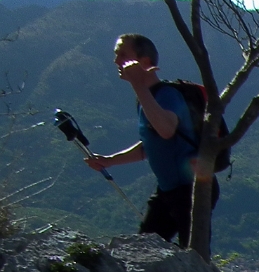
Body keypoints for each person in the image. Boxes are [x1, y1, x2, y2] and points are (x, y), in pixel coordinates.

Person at [84, 34, 219, 248]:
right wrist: (109, 161)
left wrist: (139, 85)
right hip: (168, 191)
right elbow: (150, 144)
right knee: (142, 248)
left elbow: (166, 130)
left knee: (195, 258)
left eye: (122, 55)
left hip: (191, 190)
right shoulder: (147, 98)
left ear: (143, 62)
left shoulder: (166, 95)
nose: (116, 61)